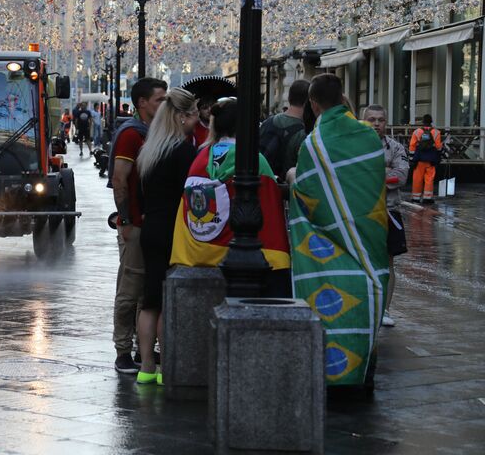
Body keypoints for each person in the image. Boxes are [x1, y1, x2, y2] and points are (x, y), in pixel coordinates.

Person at [288, 73, 388, 389]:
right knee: (373, 291)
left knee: (338, 296)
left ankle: (338, 370)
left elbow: (308, 192)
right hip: (371, 234)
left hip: (336, 238)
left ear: (314, 105)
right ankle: (367, 368)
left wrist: (292, 178)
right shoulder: (369, 135)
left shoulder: (314, 145)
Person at [170, 98, 291, 297]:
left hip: (195, 251)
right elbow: (270, 208)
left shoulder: (201, 157)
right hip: (234, 257)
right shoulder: (253, 160)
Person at [135, 88, 198, 384]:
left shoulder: (150, 150)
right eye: (195, 114)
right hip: (173, 229)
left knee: (150, 300)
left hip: (151, 227)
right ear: (182, 116)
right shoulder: (183, 150)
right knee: (167, 301)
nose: (198, 120)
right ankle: (167, 368)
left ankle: (147, 367)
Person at [108, 77, 168, 374]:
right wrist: (127, 220)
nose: (164, 104)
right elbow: (120, 180)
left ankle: (139, 349)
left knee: (146, 290)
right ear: (142, 103)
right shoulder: (132, 134)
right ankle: (122, 350)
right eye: (159, 99)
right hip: (135, 225)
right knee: (130, 290)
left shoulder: (153, 132)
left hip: (150, 223)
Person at [362, 105, 409, 327]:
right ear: (364, 121)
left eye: (380, 119)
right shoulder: (355, 148)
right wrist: (385, 170)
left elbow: (400, 177)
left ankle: (386, 309)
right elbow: (352, 175)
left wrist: (372, 174)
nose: (376, 123)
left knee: (387, 261)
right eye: (372, 119)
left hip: (390, 211)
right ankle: (366, 305)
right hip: (362, 211)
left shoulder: (396, 147)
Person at [258, 79, 309, 180]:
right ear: (308, 102)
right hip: (283, 190)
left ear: (289, 98)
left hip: (261, 184)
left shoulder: (267, 122)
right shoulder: (303, 134)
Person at [408, 114, 443, 204]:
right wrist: (438, 158)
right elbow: (439, 147)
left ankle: (416, 197)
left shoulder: (417, 132)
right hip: (431, 159)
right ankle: (427, 197)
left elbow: (412, 146)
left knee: (417, 178)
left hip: (419, 159)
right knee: (429, 179)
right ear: (431, 121)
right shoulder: (436, 132)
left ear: (423, 122)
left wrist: (412, 159)